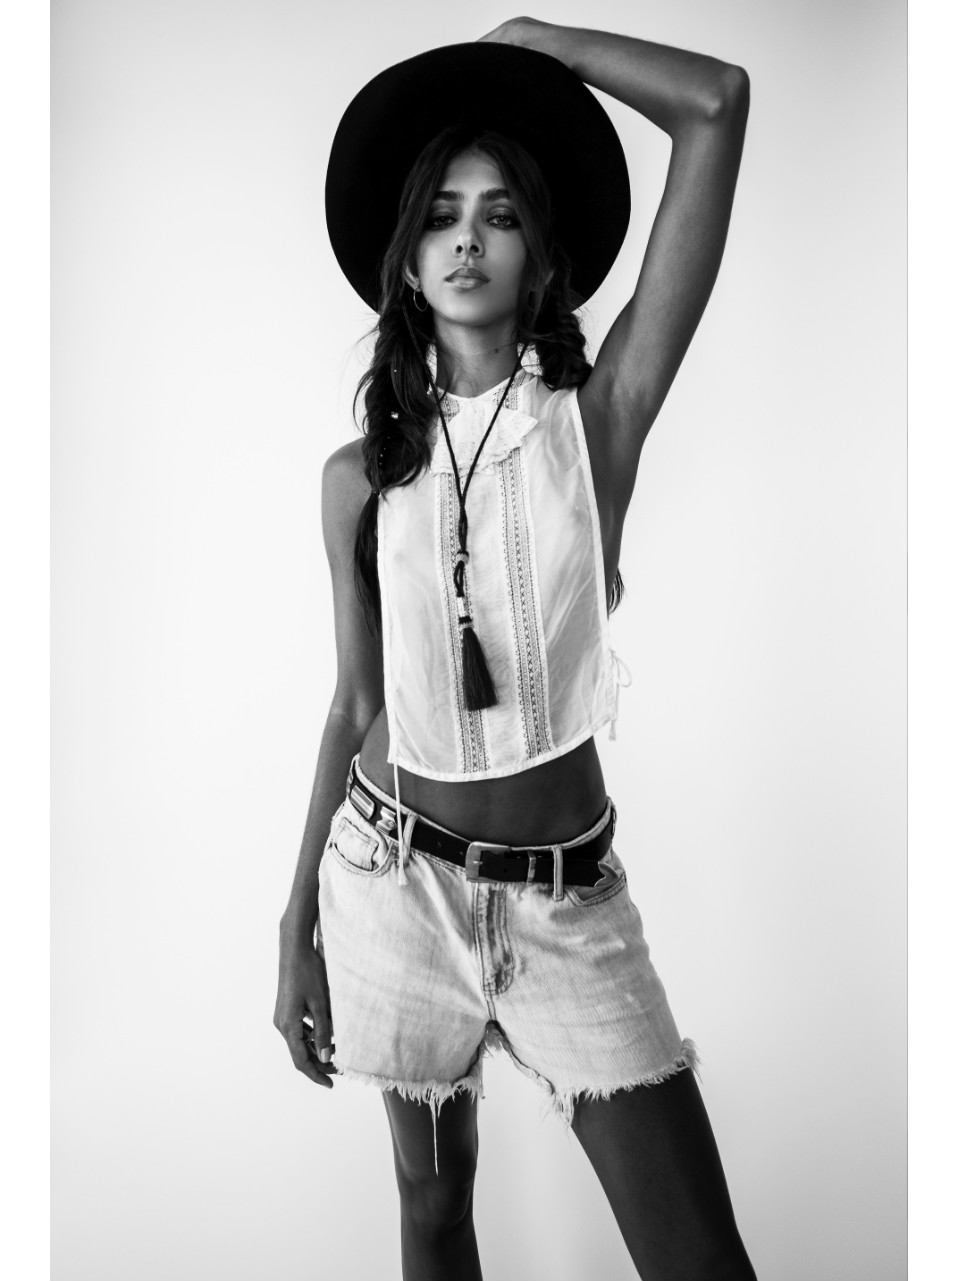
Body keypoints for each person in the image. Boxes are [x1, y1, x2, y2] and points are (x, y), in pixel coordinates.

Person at [275, 17, 754, 1280]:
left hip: (567, 905)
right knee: (435, 1218)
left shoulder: (598, 426)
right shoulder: (355, 480)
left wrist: (543, 46)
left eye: (499, 215)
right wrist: (294, 928)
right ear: (406, 258)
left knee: (701, 1260)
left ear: (541, 256)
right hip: (391, 886)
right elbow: (353, 704)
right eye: (442, 215)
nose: (468, 239)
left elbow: (717, 104)